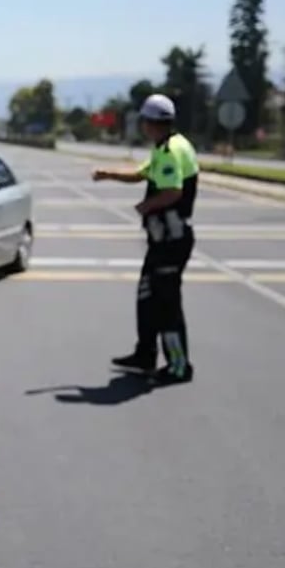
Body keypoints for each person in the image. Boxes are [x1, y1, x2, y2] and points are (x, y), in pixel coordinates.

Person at [91, 94, 199, 384]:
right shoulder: (170, 146)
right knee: (147, 297)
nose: (142, 127)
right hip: (162, 239)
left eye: (144, 122)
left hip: (171, 241)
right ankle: (145, 354)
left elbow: (173, 191)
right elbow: (143, 174)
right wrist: (109, 173)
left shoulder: (170, 151)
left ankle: (178, 366)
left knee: (167, 304)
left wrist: (146, 206)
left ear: (153, 123)